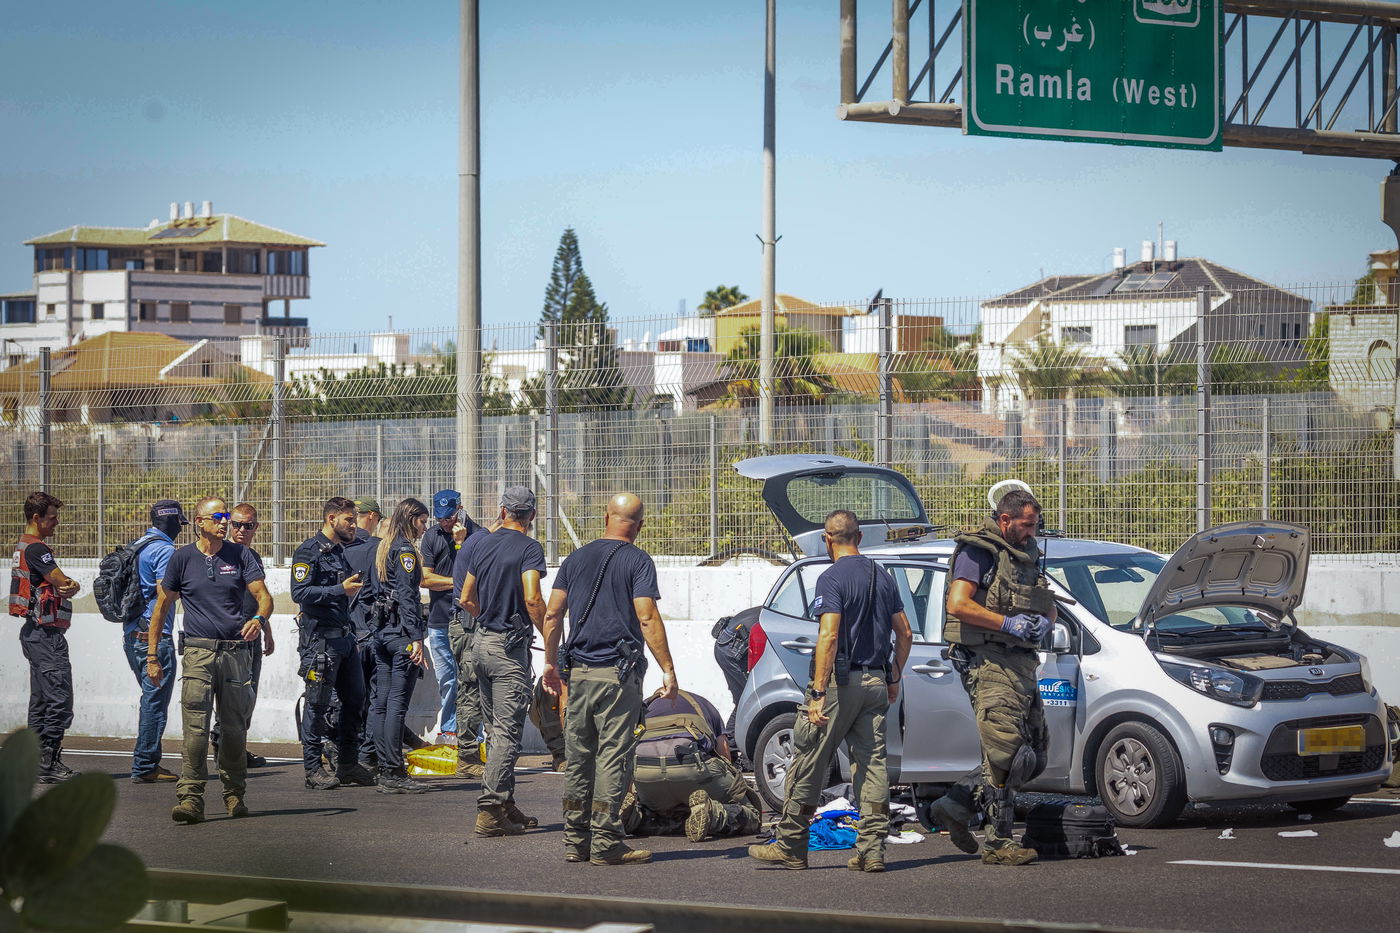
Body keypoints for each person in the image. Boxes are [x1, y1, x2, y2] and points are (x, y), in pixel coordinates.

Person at [748, 510, 913, 872]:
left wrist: (818, 692)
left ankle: (791, 845)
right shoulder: (882, 577)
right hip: (875, 683)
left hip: (839, 685)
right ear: (860, 538)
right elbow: (905, 633)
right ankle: (872, 851)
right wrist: (894, 677)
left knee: (808, 761)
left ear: (827, 539)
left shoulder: (831, 578)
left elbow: (829, 634)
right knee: (872, 767)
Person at [541, 492, 679, 867]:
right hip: (618, 677)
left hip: (578, 675)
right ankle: (605, 841)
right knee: (613, 758)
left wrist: (550, 663)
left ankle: (575, 840)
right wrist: (668, 668)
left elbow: (552, 615)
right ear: (640, 526)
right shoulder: (638, 560)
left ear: (606, 517)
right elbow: (646, 616)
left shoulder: (574, 559)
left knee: (578, 758)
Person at [927, 488, 1054, 867]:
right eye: (1026, 525)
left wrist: (1044, 623)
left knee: (1034, 755)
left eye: (1034, 526)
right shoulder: (978, 552)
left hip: (1021, 661)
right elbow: (958, 603)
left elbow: (1047, 604)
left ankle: (955, 806)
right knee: (1007, 752)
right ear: (1005, 519)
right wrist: (1006, 623)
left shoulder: (1027, 556)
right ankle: (998, 842)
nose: (1031, 533)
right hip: (987, 660)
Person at [147, 497, 272, 824]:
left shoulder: (241, 555)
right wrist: (152, 655)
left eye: (226, 516)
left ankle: (234, 795)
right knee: (195, 731)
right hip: (198, 653)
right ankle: (191, 798)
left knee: (234, 730)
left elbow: (264, 597)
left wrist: (259, 620)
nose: (225, 522)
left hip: (235, 653)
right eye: (217, 516)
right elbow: (162, 607)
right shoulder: (182, 558)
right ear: (199, 522)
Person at [460, 486, 547, 836]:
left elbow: (466, 598)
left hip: (481, 642)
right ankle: (491, 809)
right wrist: (551, 635)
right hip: (508, 650)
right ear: (532, 516)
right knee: (507, 734)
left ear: (502, 511)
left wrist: (488, 619)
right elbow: (532, 598)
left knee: (495, 729)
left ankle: (505, 804)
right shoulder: (529, 548)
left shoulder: (481, 544)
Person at [291, 496, 375, 790]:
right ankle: (312, 769)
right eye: (349, 519)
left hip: (345, 639)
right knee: (317, 705)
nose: (354, 524)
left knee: (355, 699)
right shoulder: (309, 551)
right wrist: (340, 589)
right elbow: (299, 593)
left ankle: (348, 764)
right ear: (331, 519)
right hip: (320, 643)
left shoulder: (340, 551)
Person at [9, 491, 82, 784]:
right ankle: (48, 762)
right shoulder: (37, 549)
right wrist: (73, 585)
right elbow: (63, 582)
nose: (56, 522)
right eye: (52, 517)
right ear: (37, 518)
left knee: (40, 700)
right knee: (59, 699)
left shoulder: (23, 545)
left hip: (33, 633)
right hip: (46, 635)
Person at [624, 688, 762, 842]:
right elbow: (724, 754)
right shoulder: (703, 704)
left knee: (663, 813)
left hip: (645, 772)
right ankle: (713, 814)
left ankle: (634, 818)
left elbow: (626, 756)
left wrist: (633, 793)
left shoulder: (642, 709)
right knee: (752, 815)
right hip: (692, 769)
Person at [366, 497, 431, 795]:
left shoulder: (382, 547)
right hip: (400, 635)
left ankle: (385, 767)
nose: (424, 528)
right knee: (395, 705)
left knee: (381, 704)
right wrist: (416, 637)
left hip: (382, 633)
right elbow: (407, 596)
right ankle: (393, 770)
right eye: (422, 521)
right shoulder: (404, 550)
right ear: (410, 519)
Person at [126, 499, 187, 784]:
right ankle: (145, 765)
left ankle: (147, 761)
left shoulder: (138, 545)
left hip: (132, 634)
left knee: (150, 699)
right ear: (173, 522)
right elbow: (167, 595)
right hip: (154, 638)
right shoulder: (164, 550)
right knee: (155, 703)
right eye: (180, 524)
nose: (181, 530)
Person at [422, 489, 477, 746]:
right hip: (439, 620)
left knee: (470, 678)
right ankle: (449, 731)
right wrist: (459, 583)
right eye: (440, 518)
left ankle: (472, 734)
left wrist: (461, 544)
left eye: (449, 517)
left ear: (460, 510)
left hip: (469, 621)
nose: (445, 522)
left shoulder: (477, 535)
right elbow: (425, 579)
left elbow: (478, 577)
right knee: (448, 679)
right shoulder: (431, 536)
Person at [225, 503, 274, 769]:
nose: (242, 530)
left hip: (252, 635)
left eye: (248, 525)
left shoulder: (253, 556)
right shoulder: (222, 554)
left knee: (249, 696)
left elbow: (259, 598)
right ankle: (226, 748)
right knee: (231, 697)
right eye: (237, 524)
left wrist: (267, 630)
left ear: (256, 527)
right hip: (230, 638)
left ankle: (237, 748)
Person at [448, 515, 497, 780]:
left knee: (478, 690)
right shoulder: (482, 543)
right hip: (469, 626)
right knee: (471, 691)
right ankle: (467, 757)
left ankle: (476, 754)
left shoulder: (476, 541)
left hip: (470, 624)